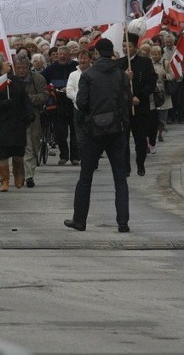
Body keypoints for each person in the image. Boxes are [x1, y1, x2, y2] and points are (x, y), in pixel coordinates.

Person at [64, 39, 131, 233]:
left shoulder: (89, 75)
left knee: (85, 177)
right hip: (116, 130)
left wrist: (90, 117)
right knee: (120, 178)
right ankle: (123, 222)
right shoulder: (121, 74)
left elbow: (81, 103)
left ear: (96, 54)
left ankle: (79, 220)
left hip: (94, 131)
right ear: (112, 52)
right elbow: (126, 101)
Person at [0, 54, 32, 191]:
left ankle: (18, 175)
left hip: (17, 121)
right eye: (5, 62)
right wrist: (2, 104)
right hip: (1, 122)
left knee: (18, 153)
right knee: (3, 153)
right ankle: (4, 180)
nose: (9, 64)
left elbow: (25, 98)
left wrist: (29, 114)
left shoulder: (16, 80)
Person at [119, 33, 156, 177]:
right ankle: (126, 167)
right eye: (123, 46)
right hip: (124, 108)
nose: (125, 49)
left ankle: (140, 164)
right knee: (123, 140)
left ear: (135, 47)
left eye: (128, 46)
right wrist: (125, 78)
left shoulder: (145, 62)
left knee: (140, 139)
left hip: (140, 107)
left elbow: (151, 83)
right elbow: (116, 85)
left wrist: (139, 97)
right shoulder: (119, 64)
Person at [14, 53, 48, 188]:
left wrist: (27, 99)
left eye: (23, 67)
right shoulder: (10, 80)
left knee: (31, 146)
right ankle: (19, 175)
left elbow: (44, 96)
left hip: (32, 117)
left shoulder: (38, 79)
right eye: (18, 68)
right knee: (17, 148)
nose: (21, 70)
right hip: (15, 119)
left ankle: (29, 176)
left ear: (28, 66)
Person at [42, 46, 79, 165]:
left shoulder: (76, 67)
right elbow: (41, 80)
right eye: (60, 54)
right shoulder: (51, 68)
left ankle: (75, 157)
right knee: (60, 132)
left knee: (75, 132)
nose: (62, 56)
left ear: (69, 55)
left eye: (64, 54)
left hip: (74, 103)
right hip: (58, 105)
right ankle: (64, 155)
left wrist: (69, 89)